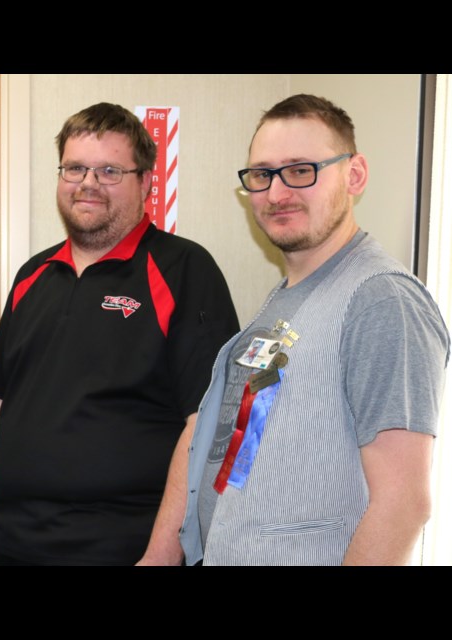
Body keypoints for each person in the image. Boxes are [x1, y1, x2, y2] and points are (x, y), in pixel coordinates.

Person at [142, 94, 450, 566]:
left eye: (301, 170)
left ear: (355, 175)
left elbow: (404, 503)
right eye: (262, 174)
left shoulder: (381, 300)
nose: (277, 192)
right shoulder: (286, 298)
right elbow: (232, 439)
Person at [0, 103, 239, 565]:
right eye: (75, 168)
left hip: (124, 548)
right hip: (14, 544)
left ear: (146, 183)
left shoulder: (184, 270)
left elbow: (209, 422)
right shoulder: (32, 276)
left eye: (110, 170)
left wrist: (160, 556)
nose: (88, 183)